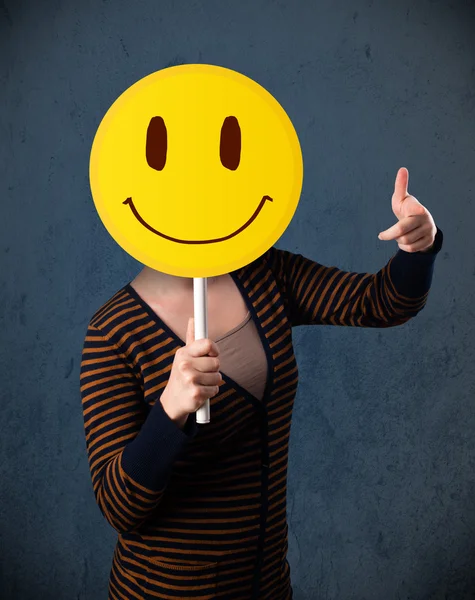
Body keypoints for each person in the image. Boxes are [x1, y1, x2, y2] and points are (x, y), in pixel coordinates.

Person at [80, 170, 443, 599]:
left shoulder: (264, 273)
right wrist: (170, 412)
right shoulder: (113, 332)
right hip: (165, 591)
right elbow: (119, 507)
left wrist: (418, 247)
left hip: (266, 582)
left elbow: (380, 303)